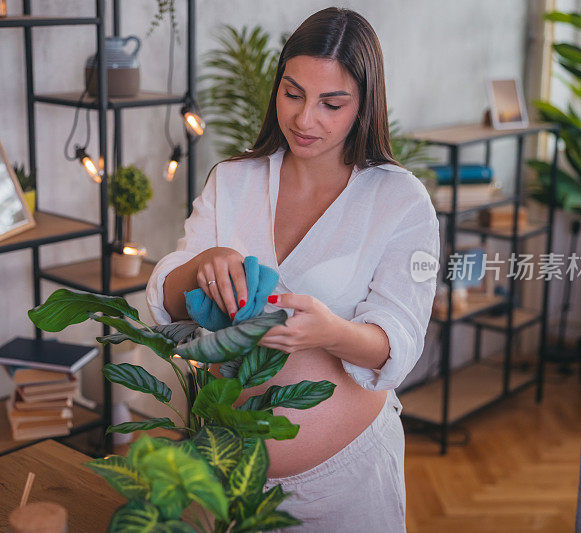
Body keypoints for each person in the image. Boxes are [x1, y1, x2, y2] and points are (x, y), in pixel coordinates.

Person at [145, 7, 439, 532]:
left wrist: (331, 333)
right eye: (293, 93)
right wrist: (200, 268)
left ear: (364, 105)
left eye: (332, 103)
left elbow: (400, 340)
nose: (305, 120)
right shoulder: (233, 180)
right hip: (227, 477)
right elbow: (168, 305)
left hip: (346, 483)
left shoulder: (399, 200)